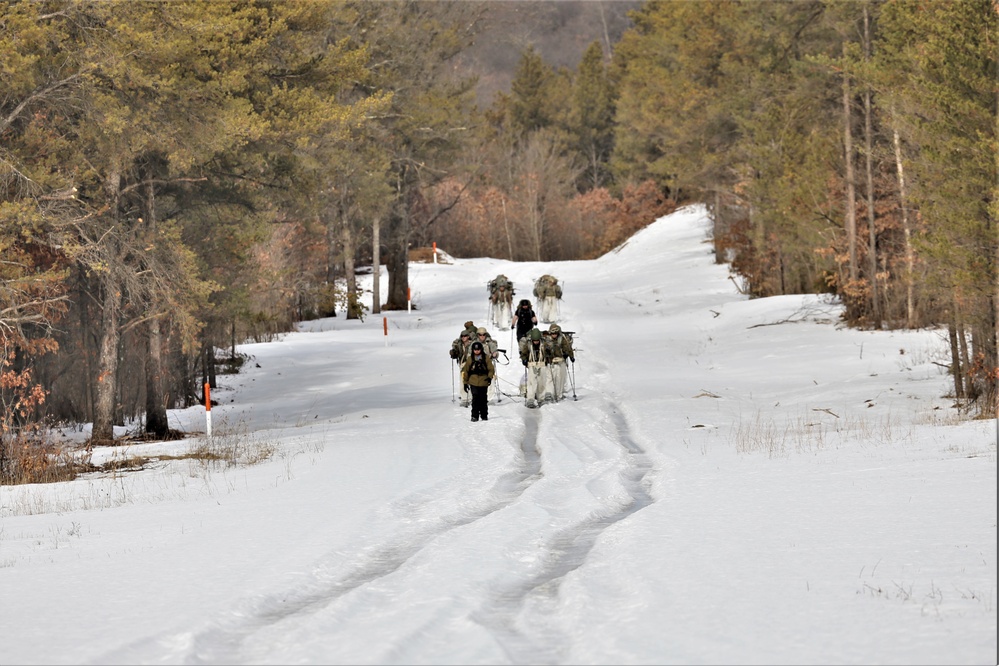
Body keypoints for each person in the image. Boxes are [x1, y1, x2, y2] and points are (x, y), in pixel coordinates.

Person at [461, 340, 495, 422]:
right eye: (475, 350)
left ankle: (484, 415)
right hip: (473, 381)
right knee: (475, 399)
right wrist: (465, 383)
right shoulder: (470, 359)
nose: (477, 351)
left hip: (484, 381)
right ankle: (474, 416)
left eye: (478, 350)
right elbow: (466, 371)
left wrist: (489, 377)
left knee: (483, 399)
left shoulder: (486, 358)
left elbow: (491, 369)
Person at [543, 323, 575, 401]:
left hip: (560, 361)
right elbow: (542, 350)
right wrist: (546, 353)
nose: (554, 335)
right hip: (551, 362)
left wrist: (570, 356)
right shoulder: (546, 340)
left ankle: (559, 395)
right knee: (550, 378)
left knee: (560, 379)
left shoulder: (562, 339)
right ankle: (549, 394)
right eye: (552, 333)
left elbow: (567, 347)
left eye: (555, 333)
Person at [518, 327, 547, 408]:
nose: (536, 342)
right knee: (531, 382)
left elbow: (548, 352)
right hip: (532, 363)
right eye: (534, 341)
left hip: (542, 363)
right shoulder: (528, 344)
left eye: (537, 340)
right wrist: (524, 359)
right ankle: (530, 399)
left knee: (542, 382)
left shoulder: (544, 343)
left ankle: (541, 399)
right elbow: (523, 353)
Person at [475, 327, 502, 402]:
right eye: (480, 335)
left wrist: (495, 354)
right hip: (477, 365)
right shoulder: (474, 344)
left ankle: (490, 398)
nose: (482, 336)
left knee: (490, 380)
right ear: (478, 335)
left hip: (488, 364)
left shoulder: (490, 343)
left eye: (484, 334)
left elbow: (495, 352)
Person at [449, 329, 473, 406]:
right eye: (462, 336)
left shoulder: (472, 344)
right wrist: (453, 353)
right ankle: (464, 398)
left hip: (471, 364)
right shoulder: (459, 345)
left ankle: (471, 397)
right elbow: (457, 354)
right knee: (463, 381)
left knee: (471, 381)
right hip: (462, 365)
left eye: (465, 336)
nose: (463, 337)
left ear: (468, 336)